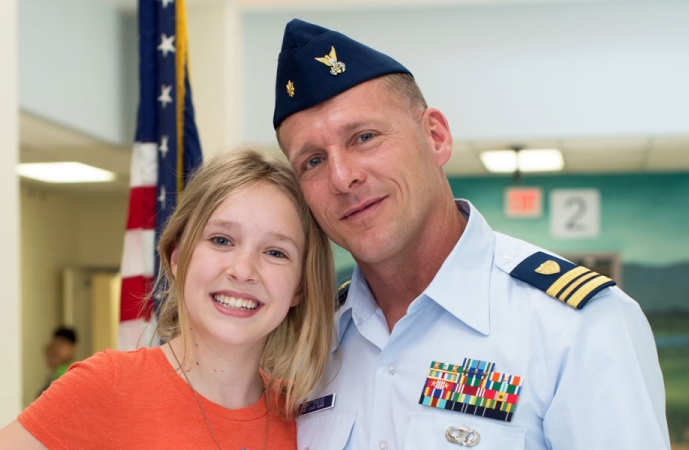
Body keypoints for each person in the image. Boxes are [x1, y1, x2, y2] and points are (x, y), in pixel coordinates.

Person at [272, 19, 669, 449]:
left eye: (364, 137)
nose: (343, 177)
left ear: (436, 137)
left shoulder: (577, 327)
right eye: (312, 161)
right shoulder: (308, 342)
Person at [0, 148, 336, 449]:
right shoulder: (107, 387)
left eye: (275, 252)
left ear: (301, 286)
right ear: (178, 258)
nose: (243, 270)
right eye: (221, 240)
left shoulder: (308, 416)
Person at [38, 326, 77, 396]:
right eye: (56, 344)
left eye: (62, 344)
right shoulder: (55, 372)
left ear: (73, 347)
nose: (57, 349)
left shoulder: (72, 372)